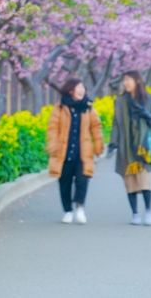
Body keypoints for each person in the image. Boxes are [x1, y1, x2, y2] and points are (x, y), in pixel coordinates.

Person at [47, 79, 104, 224]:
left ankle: (79, 208)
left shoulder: (88, 107)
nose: (81, 90)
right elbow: (53, 127)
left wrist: (98, 145)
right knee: (64, 182)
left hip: (82, 153)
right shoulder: (60, 108)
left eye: (82, 88)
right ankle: (67, 210)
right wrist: (53, 145)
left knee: (82, 180)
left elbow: (96, 127)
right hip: (64, 152)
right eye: (78, 87)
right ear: (70, 90)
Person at [108, 71, 151, 226]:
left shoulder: (149, 99)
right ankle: (135, 214)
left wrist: (147, 115)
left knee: (145, 182)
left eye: (128, 79)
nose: (126, 83)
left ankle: (148, 212)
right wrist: (113, 144)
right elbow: (116, 124)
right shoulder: (120, 101)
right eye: (124, 80)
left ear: (137, 81)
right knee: (130, 183)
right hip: (126, 148)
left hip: (144, 149)